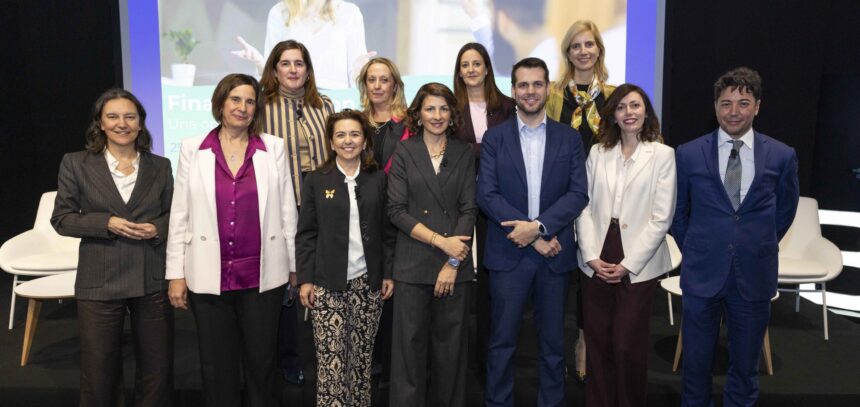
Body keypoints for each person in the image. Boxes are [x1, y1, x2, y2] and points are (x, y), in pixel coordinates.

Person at [165, 73, 298, 407]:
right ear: (220, 103)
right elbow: (180, 213)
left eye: (250, 101)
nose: (242, 107)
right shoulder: (193, 148)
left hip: (262, 276)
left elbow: (286, 211)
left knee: (262, 363)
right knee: (216, 366)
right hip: (209, 276)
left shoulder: (273, 147)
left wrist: (296, 267)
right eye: (235, 99)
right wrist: (175, 274)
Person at [672, 67, 799, 407]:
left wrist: (755, 244)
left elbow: (786, 210)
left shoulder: (782, 155)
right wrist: (699, 247)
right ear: (715, 106)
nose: (733, 111)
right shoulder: (688, 153)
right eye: (726, 103)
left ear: (757, 106)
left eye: (743, 103)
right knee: (695, 367)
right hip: (702, 274)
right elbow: (678, 212)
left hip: (754, 276)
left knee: (745, 369)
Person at [52, 89, 174, 406]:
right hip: (99, 279)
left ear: (141, 124)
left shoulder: (160, 166)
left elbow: (173, 215)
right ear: (101, 124)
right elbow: (62, 219)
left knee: (156, 369)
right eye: (113, 116)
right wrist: (106, 223)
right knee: (99, 370)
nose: (123, 123)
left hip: (151, 276)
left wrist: (157, 227)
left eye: (130, 116)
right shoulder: (76, 163)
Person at [478, 57, 588, 407]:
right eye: (523, 85)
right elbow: (487, 195)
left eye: (537, 84)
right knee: (502, 343)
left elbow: (578, 193)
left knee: (553, 345)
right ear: (513, 90)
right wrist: (532, 235)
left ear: (547, 88)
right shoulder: (494, 138)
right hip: (509, 255)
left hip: (553, 255)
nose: (530, 91)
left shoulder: (568, 138)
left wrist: (539, 229)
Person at [575, 84, 676, 407]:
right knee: (599, 342)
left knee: (626, 344)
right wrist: (590, 255)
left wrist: (628, 264)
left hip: (638, 260)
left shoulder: (663, 155)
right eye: (621, 107)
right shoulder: (597, 152)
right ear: (613, 115)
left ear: (646, 111)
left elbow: (661, 218)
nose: (629, 112)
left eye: (635, 105)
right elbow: (584, 207)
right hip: (597, 253)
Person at [296, 109, 395, 406]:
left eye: (354, 134)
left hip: (369, 284)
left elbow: (387, 232)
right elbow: (306, 234)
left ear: (365, 141)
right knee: (332, 363)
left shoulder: (378, 179)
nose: (348, 140)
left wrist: (387, 273)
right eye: (340, 135)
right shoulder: (316, 179)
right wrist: (305, 281)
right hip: (329, 283)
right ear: (330, 142)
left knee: (361, 361)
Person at [387, 83, 477, 407]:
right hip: (412, 267)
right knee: (408, 360)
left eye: (443, 109)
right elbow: (396, 211)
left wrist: (452, 264)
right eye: (430, 109)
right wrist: (442, 243)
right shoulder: (404, 152)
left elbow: (469, 209)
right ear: (418, 114)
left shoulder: (464, 152)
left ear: (452, 114)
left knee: (450, 358)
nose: (437, 116)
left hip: (454, 270)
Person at [546, 19, 617, 381]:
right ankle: (555, 344)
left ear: (599, 50)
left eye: (589, 44)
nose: (583, 51)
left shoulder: (616, 95)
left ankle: (585, 340)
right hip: (560, 197)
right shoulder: (553, 94)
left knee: (592, 274)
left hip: (603, 200)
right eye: (576, 46)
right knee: (563, 274)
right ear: (567, 52)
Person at [260, 39, 334, 383]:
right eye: (286, 63)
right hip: (277, 203)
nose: (293, 69)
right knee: (287, 281)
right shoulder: (260, 107)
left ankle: (322, 354)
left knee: (320, 279)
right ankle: (287, 358)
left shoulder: (324, 105)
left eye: (299, 63)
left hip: (321, 201)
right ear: (274, 70)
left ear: (308, 70)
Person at [451, 41, 516, 374]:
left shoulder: (507, 106)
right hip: (458, 202)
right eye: (465, 65)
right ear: (459, 71)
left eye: (477, 63)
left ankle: (489, 357)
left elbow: (509, 154)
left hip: (497, 204)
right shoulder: (449, 107)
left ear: (488, 67)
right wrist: (484, 150)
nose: (471, 69)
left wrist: (475, 150)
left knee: (492, 282)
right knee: (459, 278)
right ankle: (458, 356)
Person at [232, 0, 372, 89]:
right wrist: (259, 62)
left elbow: (356, 78)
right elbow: (272, 77)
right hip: (291, 102)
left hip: (336, 102)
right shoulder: (280, 12)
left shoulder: (349, 12)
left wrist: (362, 71)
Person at [356, 56, 409, 173]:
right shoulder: (358, 122)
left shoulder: (409, 122)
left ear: (395, 86)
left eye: (384, 80)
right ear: (365, 85)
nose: (377, 86)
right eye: (371, 80)